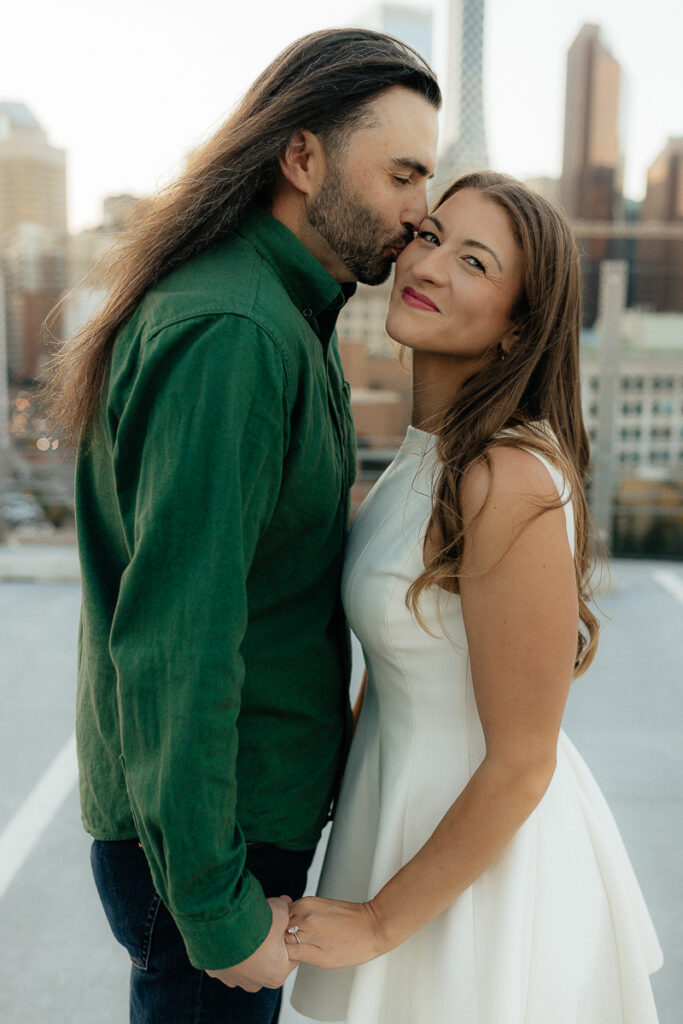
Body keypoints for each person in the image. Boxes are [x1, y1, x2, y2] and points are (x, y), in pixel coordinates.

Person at [46, 28, 440, 1024]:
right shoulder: (235, 333)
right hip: (212, 852)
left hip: (226, 829)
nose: (419, 210)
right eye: (401, 173)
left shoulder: (276, 311)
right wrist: (219, 915)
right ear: (301, 157)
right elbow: (178, 639)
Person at [287, 172, 663, 1023]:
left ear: (517, 328)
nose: (429, 265)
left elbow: (524, 760)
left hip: (483, 869)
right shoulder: (423, 458)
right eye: (430, 236)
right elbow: (394, 661)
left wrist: (381, 920)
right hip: (401, 823)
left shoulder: (508, 478)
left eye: (474, 260)